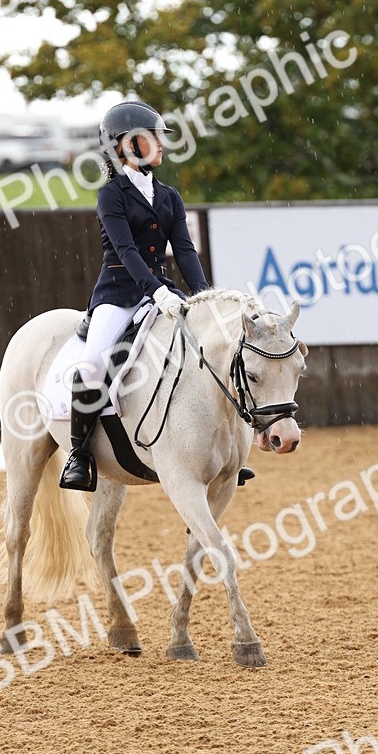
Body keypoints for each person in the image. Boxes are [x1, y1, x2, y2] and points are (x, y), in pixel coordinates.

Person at [59, 98, 254, 492]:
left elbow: (184, 251)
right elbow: (126, 250)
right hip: (118, 295)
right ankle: (79, 454)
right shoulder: (110, 195)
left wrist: (205, 300)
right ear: (125, 145)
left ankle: (224, 451)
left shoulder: (168, 196)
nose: (161, 145)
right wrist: (156, 289)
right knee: (94, 365)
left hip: (163, 294)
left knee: (211, 353)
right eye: (152, 138)